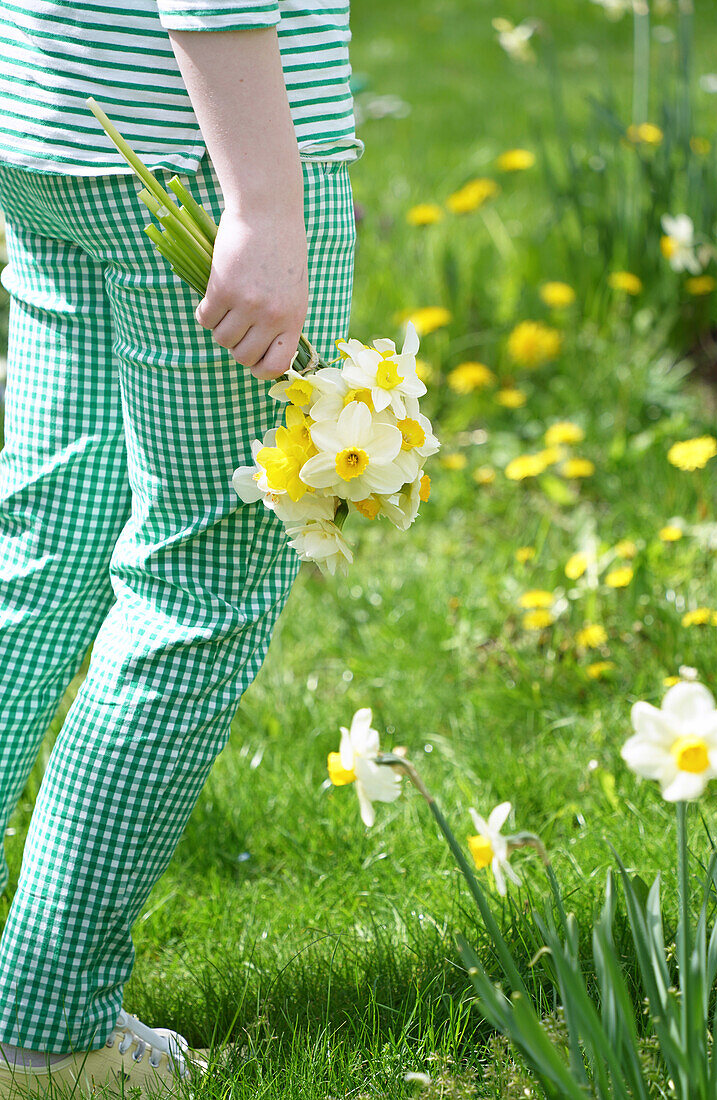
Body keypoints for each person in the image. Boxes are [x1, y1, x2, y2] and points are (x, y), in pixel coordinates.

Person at [0, 0, 362, 1094]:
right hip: (196, 158)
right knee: (198, 583)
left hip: (51, 129)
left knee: (43, 553)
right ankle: (49, 1030)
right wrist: (262, 200)